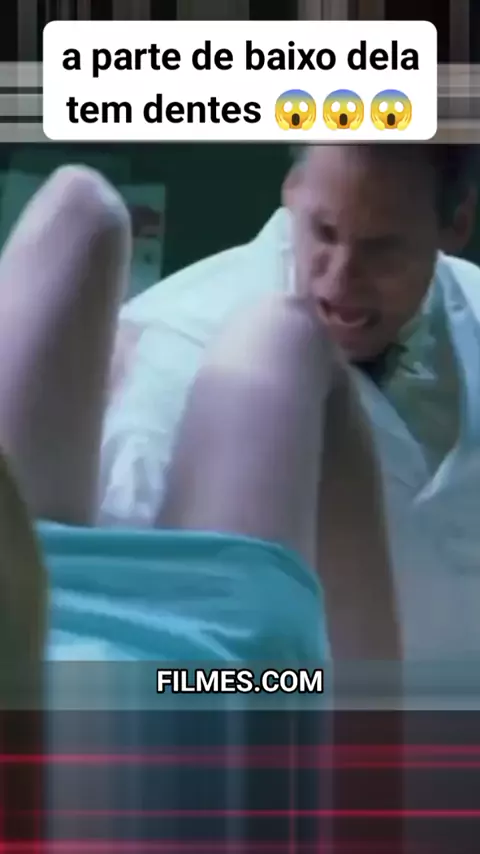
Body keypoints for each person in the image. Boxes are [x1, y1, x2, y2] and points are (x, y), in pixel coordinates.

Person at [101, 143, 480, 661]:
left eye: (383, 249)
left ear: (457, 225)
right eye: (324, 232)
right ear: (293, 188)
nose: (340, 279)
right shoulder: (172, 357)